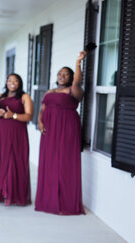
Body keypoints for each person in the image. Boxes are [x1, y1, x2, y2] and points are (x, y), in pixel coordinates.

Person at [35, 51, 87, 215]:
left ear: (71, 78)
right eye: (59, 73)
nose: (62, 76)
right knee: (49, 163)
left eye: (66, 74)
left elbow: (78, 81)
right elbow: (42, 109)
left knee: (65, 163)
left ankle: (66, 203)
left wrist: (78, 63)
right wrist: (40, 122)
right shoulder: (50, 92)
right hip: (49, 131)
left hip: (67, 130)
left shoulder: (74, 90)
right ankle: (47, 200)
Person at [0, 73, 33, 206]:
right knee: (2, 161)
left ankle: (14, 194)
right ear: (6, 82)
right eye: (10, 80)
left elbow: (29, 116)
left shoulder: (24, 97)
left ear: (20, 83)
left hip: (18, 133)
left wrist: (13, 115)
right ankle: (1, 192)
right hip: (3, 133)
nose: (12, 83)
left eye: (16, 80)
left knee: (15, 162)